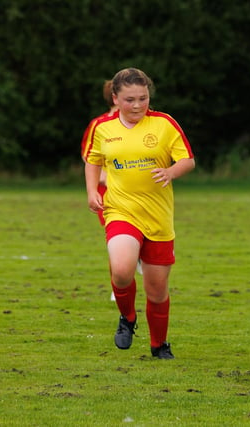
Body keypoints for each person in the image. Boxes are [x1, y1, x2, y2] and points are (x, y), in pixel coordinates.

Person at [82, 68, 195, 359]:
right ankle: (128, 317)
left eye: (142, 98)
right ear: (115, 99)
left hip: (158, 217)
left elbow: (188, 160)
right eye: (130, 99)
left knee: (157, 291)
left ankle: (159, 345)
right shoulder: (102, 128)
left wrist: (171, 171)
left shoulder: (164, 123)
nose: (137, 105)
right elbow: (93, 160)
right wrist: (92, 191)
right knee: (121, 270)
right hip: (121, 210)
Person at [81, 80, 118, 226]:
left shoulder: (139, 123)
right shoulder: (99, 124)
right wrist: (103, 177)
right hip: (108, 192)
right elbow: (88, 156)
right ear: (115, 97)